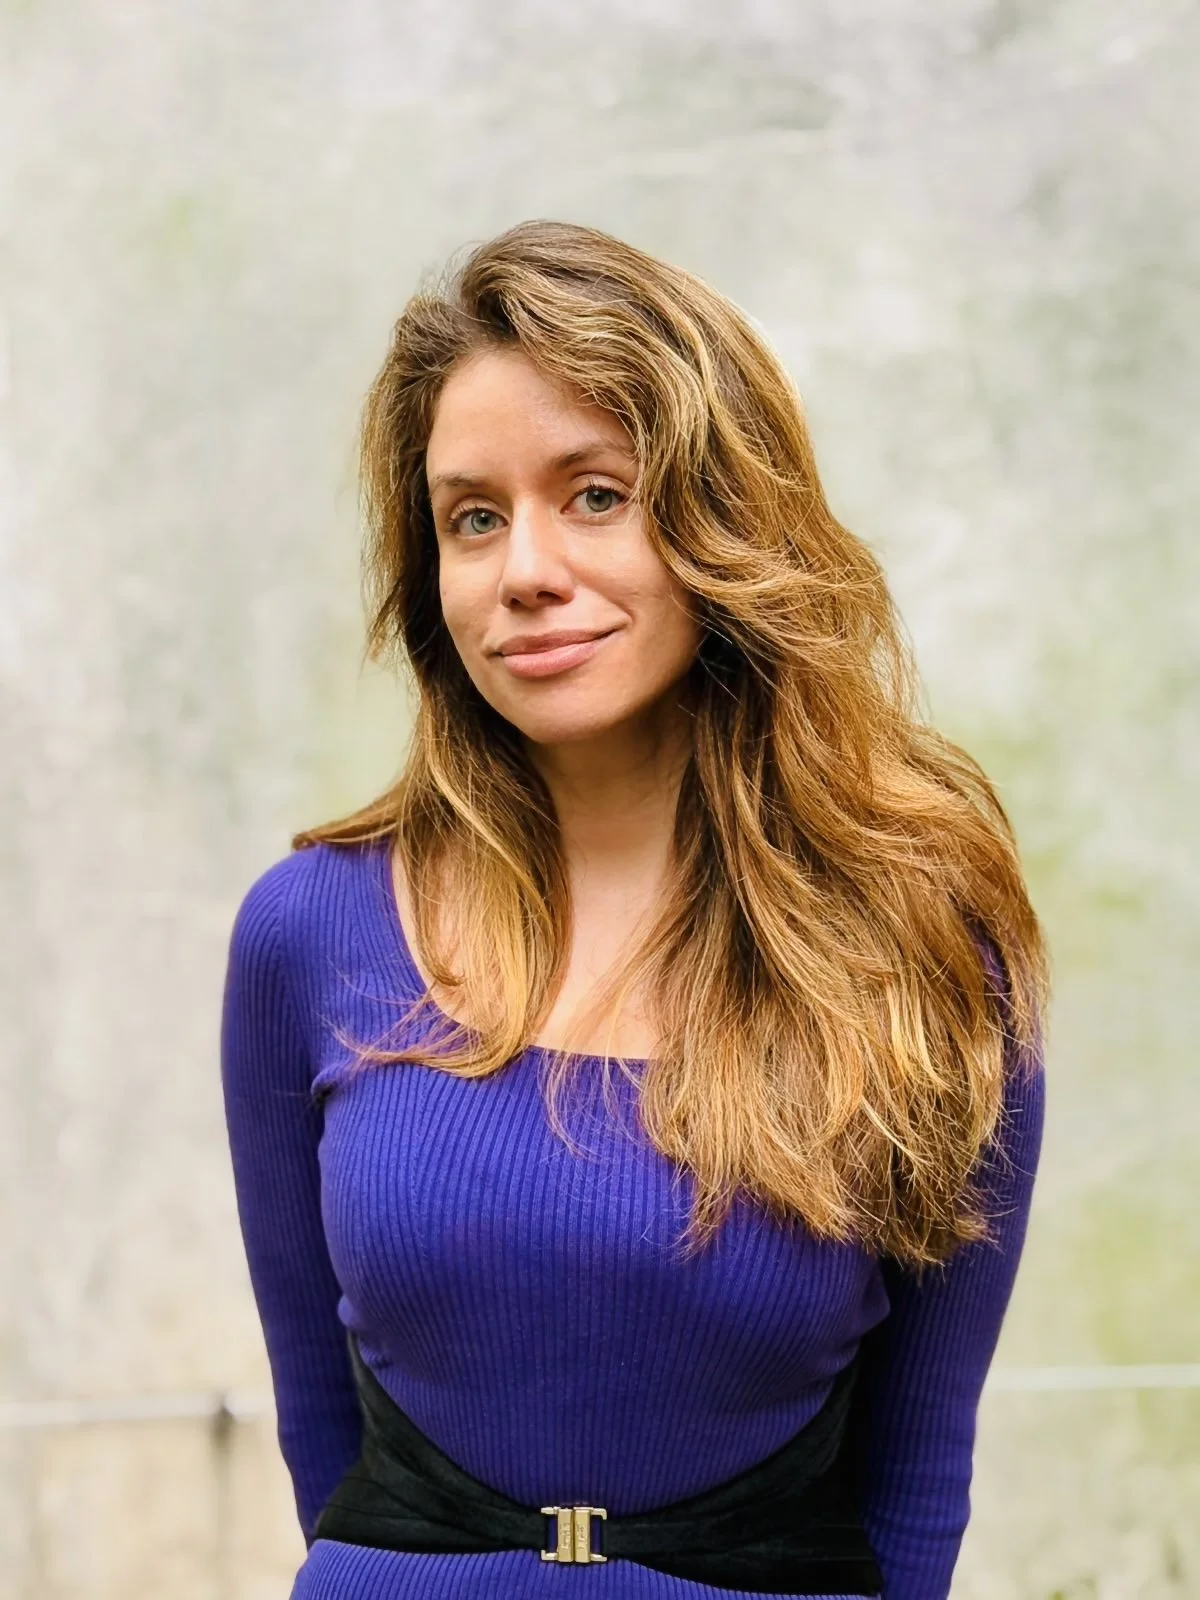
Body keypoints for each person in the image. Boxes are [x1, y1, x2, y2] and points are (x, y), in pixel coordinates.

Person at [220, 219, 1048, 1600]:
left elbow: (917, 1468)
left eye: (595, 493)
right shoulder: (306, 932)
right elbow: (324, 1431)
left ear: (725, 514)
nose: (524, 568)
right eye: (472, 517)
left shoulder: (923, 947)